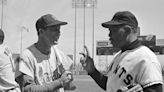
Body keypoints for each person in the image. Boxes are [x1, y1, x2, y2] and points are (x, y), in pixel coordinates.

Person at [80, 11, 163, 92]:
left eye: (113, 30)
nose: (109, 35)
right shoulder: (118, 56)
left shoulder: (146, 59)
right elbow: (109, 85)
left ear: (128, 30)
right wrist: (92, 71)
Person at [15, 14, 75, 92]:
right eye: (54, 29)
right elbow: (27, 89)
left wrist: (68, 78)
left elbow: (70, 86)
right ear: (41, 32)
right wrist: (60, 82)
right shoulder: (26, 56)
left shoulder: (58, 53)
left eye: (59, 29)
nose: (58, 33)